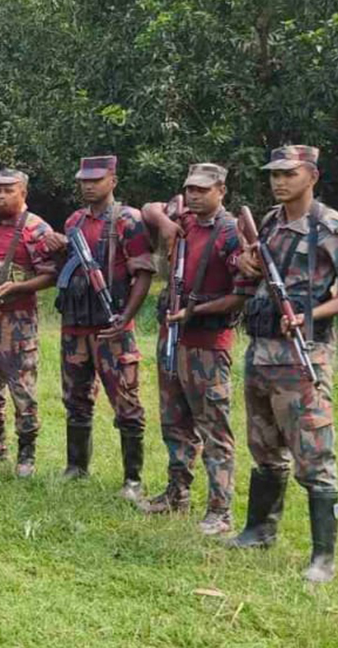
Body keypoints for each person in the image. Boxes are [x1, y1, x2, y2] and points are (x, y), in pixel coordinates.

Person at [228, 145, 338, 583]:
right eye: (274, 174)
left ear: (312, 176)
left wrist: (310, 315)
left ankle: (323, 557)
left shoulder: (334, 228)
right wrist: (245, 261)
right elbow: (253, 267)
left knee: (313, 453)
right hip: (261, 351)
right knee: (263, 445)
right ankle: (259, 530)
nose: (279, 181)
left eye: (289, 173)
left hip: (302, 354)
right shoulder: (270, 222)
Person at [139, 163, 249, 535]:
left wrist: (195, 311)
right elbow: (149, 209)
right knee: (174, 421)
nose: (195, 195)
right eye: (190, 189)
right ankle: (176, 494)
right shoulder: (183, 219)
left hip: (207, 346)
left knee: (214, 428)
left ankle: (220, 511)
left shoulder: (230, 233)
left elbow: (241, 295)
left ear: (221, 191)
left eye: (203, 189)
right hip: (173, 339)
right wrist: (165, 223)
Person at [50, 155, 154, 501]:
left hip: (112, 329)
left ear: (113, 180)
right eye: (84, 180)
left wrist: (125, 317)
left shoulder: (128, 220)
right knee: (75, 398)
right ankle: (76, 467)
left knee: (126, 401)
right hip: (75, 326)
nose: (88, 185)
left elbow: (144, 273)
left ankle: (133, 479)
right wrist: (58, 250)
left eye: (95, 180)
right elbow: (64, 270)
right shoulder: (74, 221)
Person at [0, 168, 58, 477]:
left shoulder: (36, 229)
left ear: (23, 193)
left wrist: (18, 287)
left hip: (17, 319)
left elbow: (51, 275)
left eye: (9, 190)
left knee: (21, 386)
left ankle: (26, 454)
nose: (1, 196)